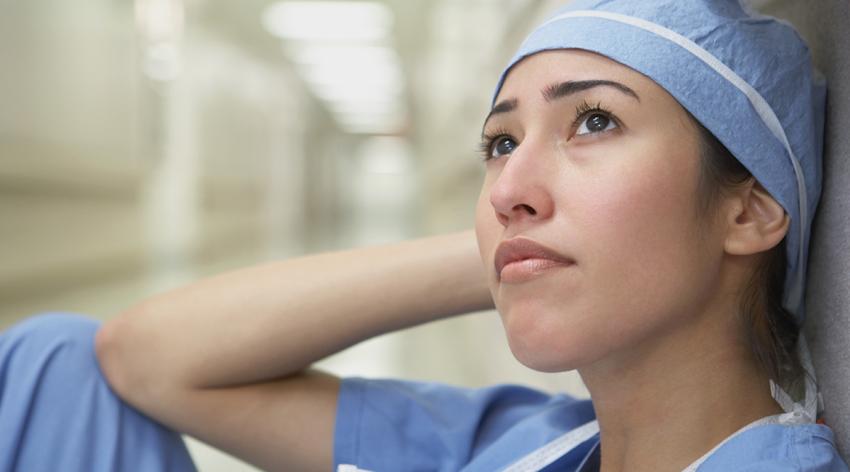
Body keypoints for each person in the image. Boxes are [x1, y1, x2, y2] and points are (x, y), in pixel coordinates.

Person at [1, 0, 848, 470]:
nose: (510, 184)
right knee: (51, 364)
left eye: (593, 121)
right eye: (500, 145)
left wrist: (538, 237)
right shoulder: (522, 444)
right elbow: (138, 357)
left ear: (750, 208)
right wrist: (508, 249)